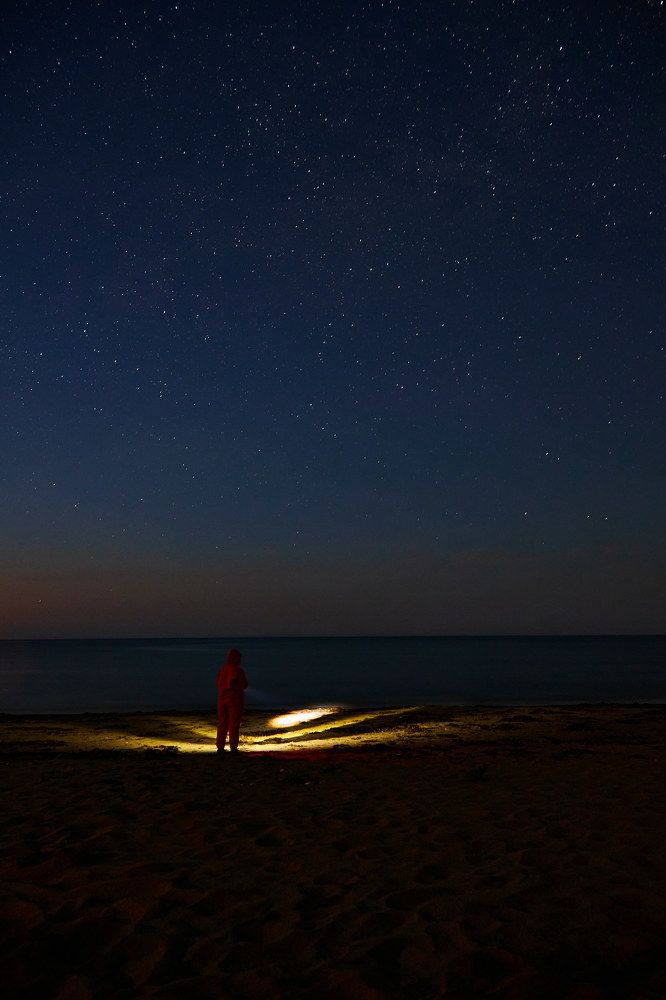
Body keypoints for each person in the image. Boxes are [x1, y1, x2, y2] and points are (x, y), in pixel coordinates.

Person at [215, 648, 248, 754]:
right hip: (234, 699)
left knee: (222, 723)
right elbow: (242, 683)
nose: (240, 660)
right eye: (239, 658)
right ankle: (233, 747)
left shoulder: (222, 669)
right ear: (235, 658)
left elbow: (217, 684)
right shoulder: (237, 670)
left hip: (221, 699)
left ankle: (220, 747)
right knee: (233, 724)